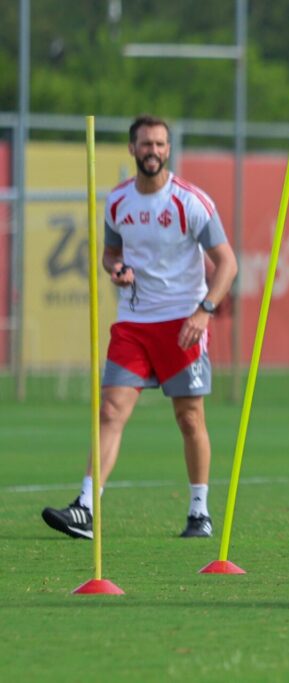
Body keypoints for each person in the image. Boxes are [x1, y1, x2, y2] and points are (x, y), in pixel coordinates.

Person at [41, 115, 238, 540]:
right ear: (132, 149)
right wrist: (117, 269)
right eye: (146, 144)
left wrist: (204, 311)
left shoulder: (191, 201)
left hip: (183, 323)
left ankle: (199, 512)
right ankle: (86, 507)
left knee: (189, 419)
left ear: (169, 150)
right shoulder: (118, 202)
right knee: (110, 410)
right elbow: (110, 254)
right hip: (133, 322)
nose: (153, 151)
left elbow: (228, 263)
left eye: (160, 144)